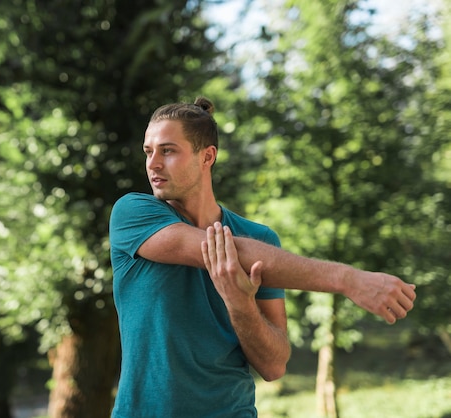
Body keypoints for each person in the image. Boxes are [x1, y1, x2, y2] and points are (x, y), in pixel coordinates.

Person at [108, 97, 416, 417]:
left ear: (207, 156)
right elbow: (223, 249)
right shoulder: (133, 214)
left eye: (168, 150)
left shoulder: (261, 239)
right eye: (149, 151)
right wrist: (348, 279)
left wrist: (241, 306)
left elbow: (273, 365)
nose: (153, 163)